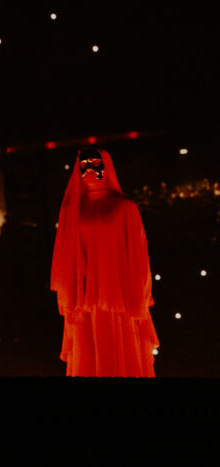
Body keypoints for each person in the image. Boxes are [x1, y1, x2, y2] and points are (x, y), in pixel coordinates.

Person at [50, 147, 158, 376]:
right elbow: (66, 258)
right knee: (89, 352)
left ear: (106, 166)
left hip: (120, 298)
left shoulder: (125, 209)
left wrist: (139, 297)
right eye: (83, 165)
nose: (89, 169)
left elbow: (139, 257)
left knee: (122, 350)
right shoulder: (73, 211)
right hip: (85, 300)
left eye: (95, 163)